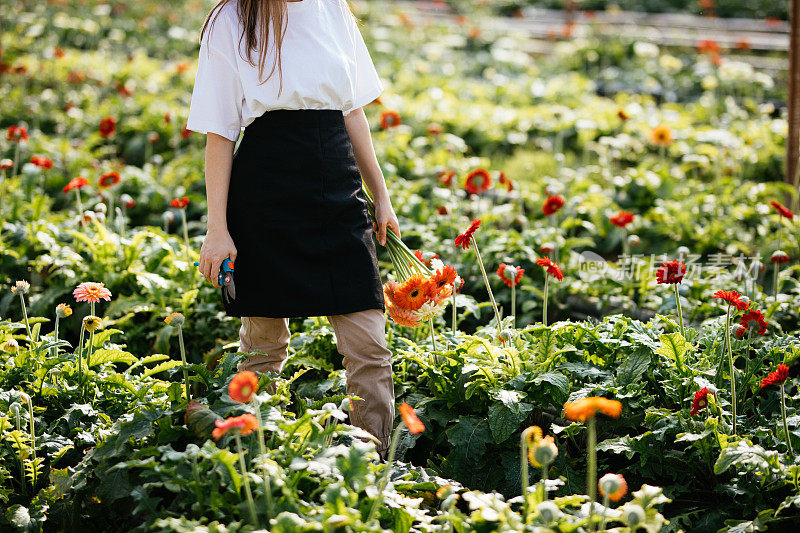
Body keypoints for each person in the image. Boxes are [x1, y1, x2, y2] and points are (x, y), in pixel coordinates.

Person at [185, 0, 401, 459]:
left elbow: (353, 111)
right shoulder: (232, 18)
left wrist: (380, 196)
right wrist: (217, 229)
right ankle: (257, 461)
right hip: (265, 196)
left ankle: (376, 469)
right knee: (264, 349)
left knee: (370, 348)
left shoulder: (332, 8)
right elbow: (219, 133)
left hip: (338, 189)